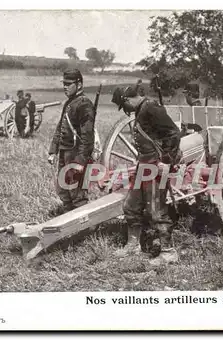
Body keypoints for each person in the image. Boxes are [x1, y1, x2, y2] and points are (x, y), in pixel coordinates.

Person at [110, 83, 182, 265]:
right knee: (131, 205)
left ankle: (168, 252)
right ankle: (133, 246)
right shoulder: (142, 109)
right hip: (144, 165)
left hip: (156, 165)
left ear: (127, 100)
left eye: (123, 106)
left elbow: (173, 133)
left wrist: (166, 161)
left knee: (156, 210)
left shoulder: (151, 107)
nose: (125, 111)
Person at [47, 69, 96, 215]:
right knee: (63, 189)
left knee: (77, 192)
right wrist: (53, 150)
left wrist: (81, 161)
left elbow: (87, 136)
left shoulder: (84, 104)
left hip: (76, 153)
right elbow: (60, 127)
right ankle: (68, 217)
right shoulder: (69, 103)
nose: (65, 87)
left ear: (79, 84)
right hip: (65, 151)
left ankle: (82, 225)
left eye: (69, 84)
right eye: (64, 84)